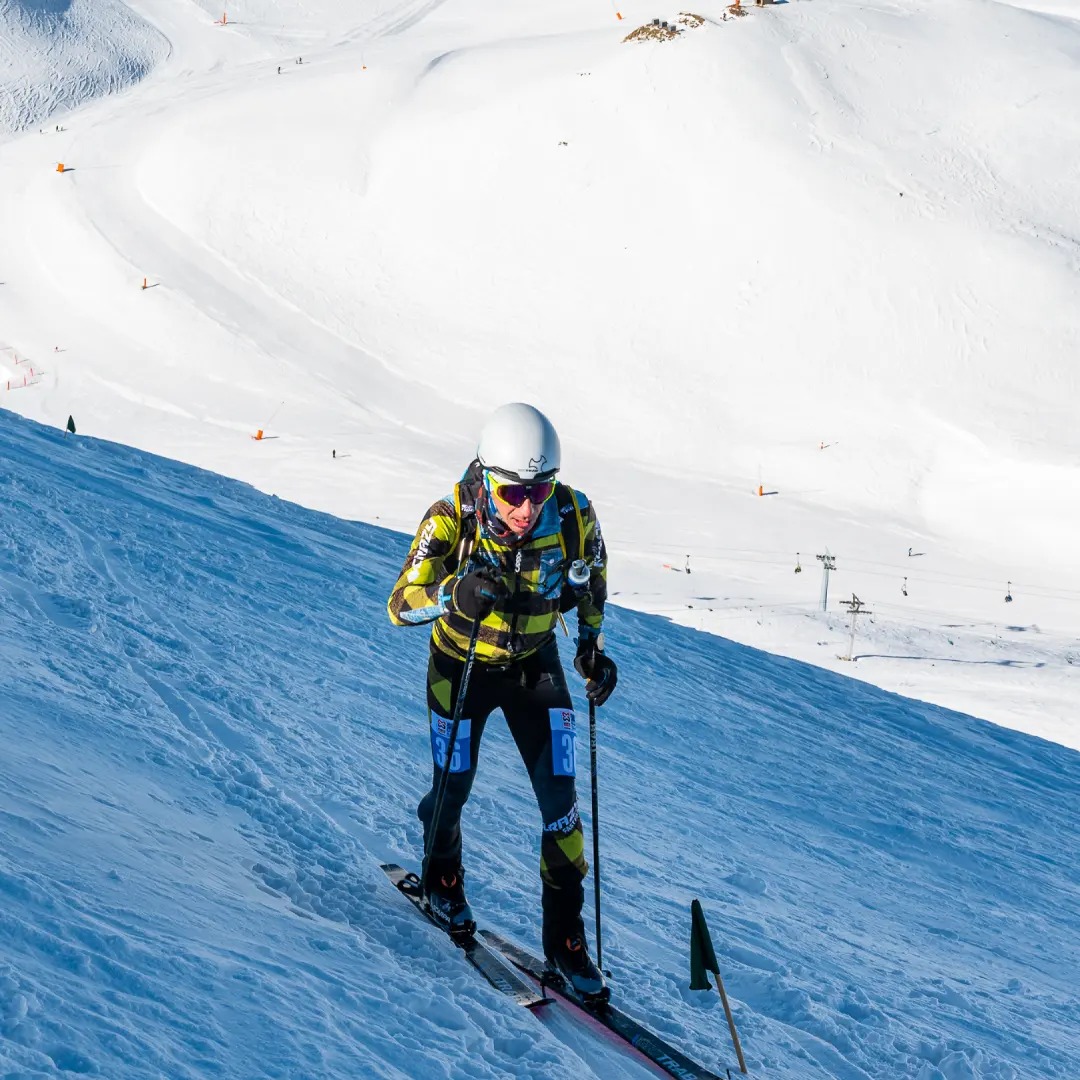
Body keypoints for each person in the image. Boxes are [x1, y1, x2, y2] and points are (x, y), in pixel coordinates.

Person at [387, 402, 617, 1000]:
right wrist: (452, 593)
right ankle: (442, 876)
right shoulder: (451, 518)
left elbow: (592, 577)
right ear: (489, 477)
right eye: (514, 491)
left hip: (534, 667)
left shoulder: (572, 514)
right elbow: (400, 603)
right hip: (459, 666)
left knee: (562, 805)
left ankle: (565, 943)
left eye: (540, 489)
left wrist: (591, 648)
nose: (527, 506)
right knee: (455, 785)